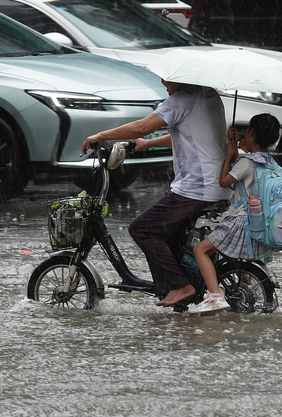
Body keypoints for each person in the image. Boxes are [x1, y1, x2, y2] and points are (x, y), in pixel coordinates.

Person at [81, 80, 229, 307]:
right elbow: (184, 133)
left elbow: (143, 127)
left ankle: (180, 286)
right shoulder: (209, 96)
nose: (163, 82)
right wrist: (147, 145)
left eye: (166, 79)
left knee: (143, 229)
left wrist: (102, 135)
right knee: (172, 237)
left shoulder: (181, 100)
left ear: (180, 78)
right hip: (217, 186)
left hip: (195, 188)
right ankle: (186, 291)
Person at [189, 113, 282, 313]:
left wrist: (229, 153)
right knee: (237, 256)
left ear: (252, 134)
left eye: (248, 131)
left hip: (240, 221)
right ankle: (245, 284)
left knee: (201, 250)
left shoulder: (246, 162)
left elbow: (224, 181)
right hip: (258, 220)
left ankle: (215, 296)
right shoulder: (269, 161)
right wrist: (235, 150)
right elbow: (246, 168)